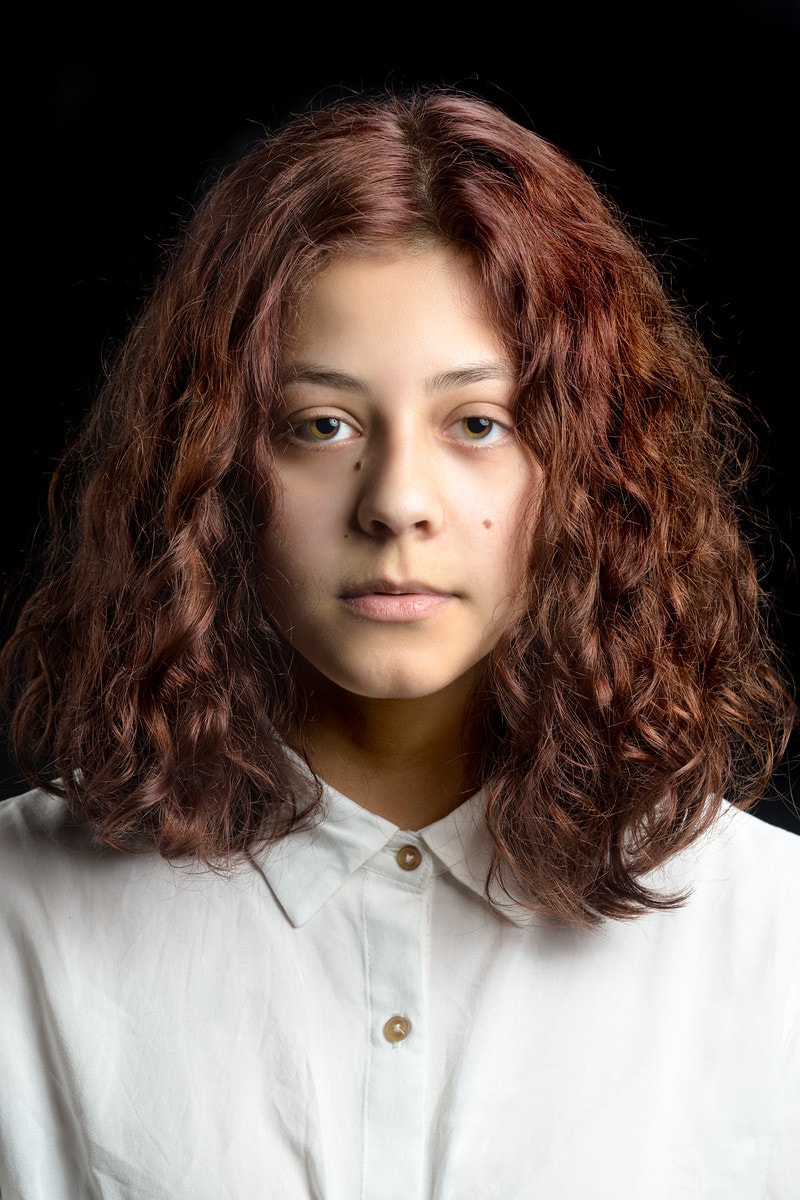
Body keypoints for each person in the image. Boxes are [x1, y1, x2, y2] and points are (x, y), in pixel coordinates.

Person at [0, 87, 797, 1199]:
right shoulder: (18, 915)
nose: (395, 503)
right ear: (218, 470)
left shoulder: (769, 939)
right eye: (321, 426)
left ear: (582, 470)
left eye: (478, 422)